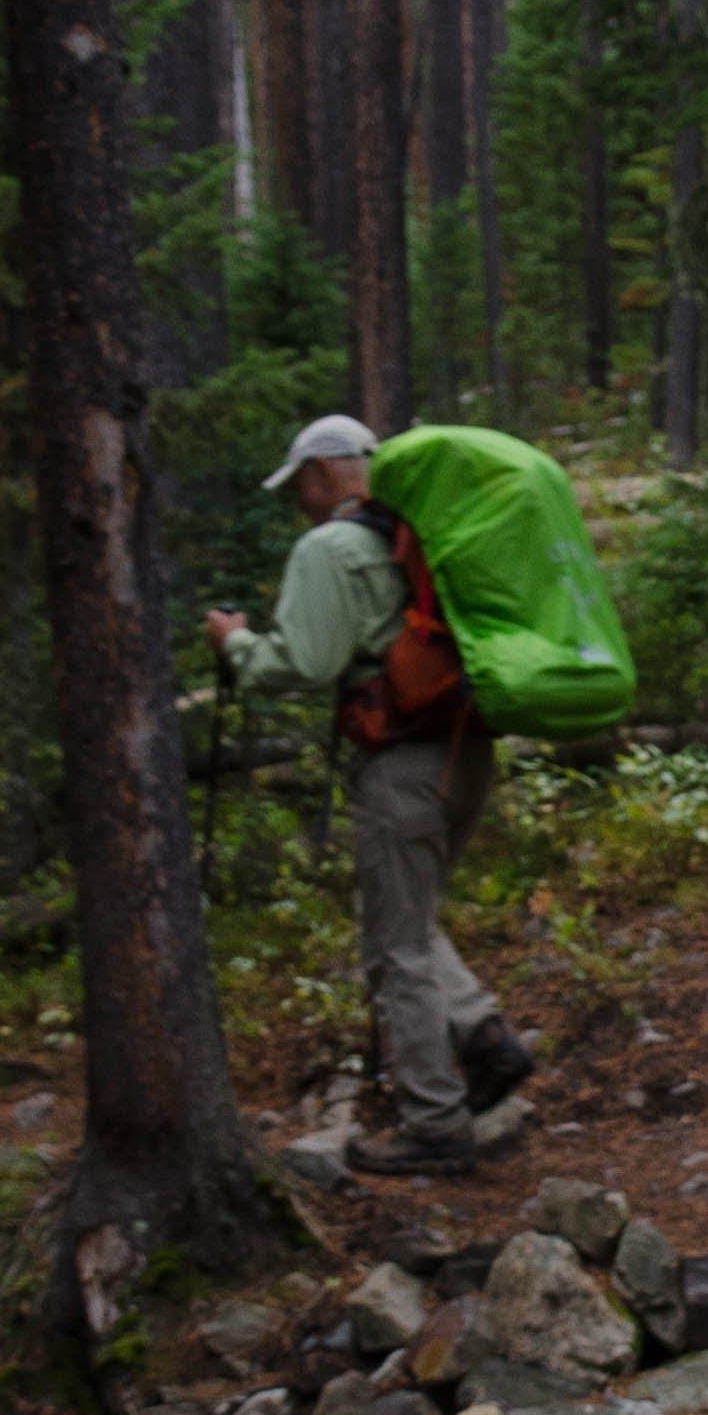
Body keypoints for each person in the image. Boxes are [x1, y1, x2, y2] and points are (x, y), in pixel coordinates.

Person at [209, 415, 535, 1176]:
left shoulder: (331, 548)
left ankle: (435, 1125)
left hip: (400, 763)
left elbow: (303, 663)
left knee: (397, 947)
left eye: (298, 485)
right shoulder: (421, 535)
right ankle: (485, 1039)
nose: (298, 500)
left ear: (322, 474)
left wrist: (236, 646)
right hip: (467, 749)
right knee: (405, 919)